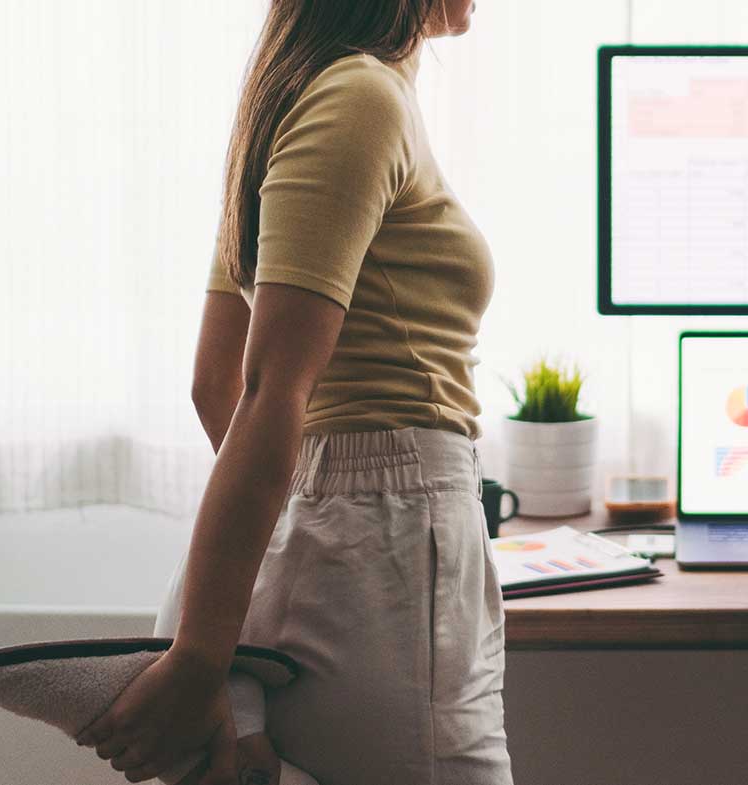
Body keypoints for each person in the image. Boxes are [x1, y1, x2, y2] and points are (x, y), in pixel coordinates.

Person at [72, 1, 509, 783]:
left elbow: (217, 384)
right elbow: (266, 387)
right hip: (382, 554)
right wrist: (203, 657)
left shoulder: (304, 95)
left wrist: (295, 530)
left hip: (336, 543)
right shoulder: (360, 98)